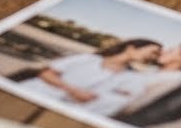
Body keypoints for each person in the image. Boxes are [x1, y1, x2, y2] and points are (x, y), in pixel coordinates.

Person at [25, 38, 163, 116]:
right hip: (34, 93)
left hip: (61, 110)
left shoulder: (129, 76)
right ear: (131, 48)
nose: (155, 57)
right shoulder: (89, 59)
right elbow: (46, 74)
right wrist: (73, 90)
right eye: (154, 52)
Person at [116, 43, 181, 128]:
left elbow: (135, 105)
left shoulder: (175, 80)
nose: (163, 52)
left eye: (170, 51)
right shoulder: (153, 70)